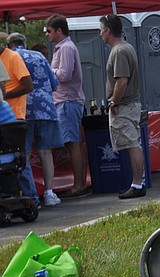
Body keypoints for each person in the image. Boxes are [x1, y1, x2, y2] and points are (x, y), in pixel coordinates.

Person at [6, 32, 63, 207]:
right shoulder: (38, 56)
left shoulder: (11, 57)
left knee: (24, 153)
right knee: (45, 152)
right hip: (45, 108)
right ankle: (49, 193)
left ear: (9, 45)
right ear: (25, 42)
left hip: (22, 110)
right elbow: (55, 84)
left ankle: (29, 195)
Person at [100, 14, 145, 199]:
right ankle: (137, 183)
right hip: (131, 104)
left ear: (108, 31)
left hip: (124, 106)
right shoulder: (127, 47)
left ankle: (137, 184)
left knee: (131, 144)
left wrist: (114, 101)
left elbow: (122, 81)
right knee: (132, 143)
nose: (100, 34)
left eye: (101, 30)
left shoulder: (118, 51)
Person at [46, 14, 89, 198]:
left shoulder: (66, 48)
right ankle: (79, 183)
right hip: (67, 101)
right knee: (74, 143)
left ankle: (79, 185)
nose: (46, 35)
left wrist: (47, 70)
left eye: (48, 31)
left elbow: (64, 75)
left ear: (59, 31)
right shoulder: (63, 48)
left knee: (73, 144)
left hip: (67, 101)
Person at [0, 34, 35, 204]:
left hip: (15, 117)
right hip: (6, 114)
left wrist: (4, 96)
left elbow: (28, 85)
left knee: (21, 160)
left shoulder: (12, 57)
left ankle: (32, 197)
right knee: (15, 162)